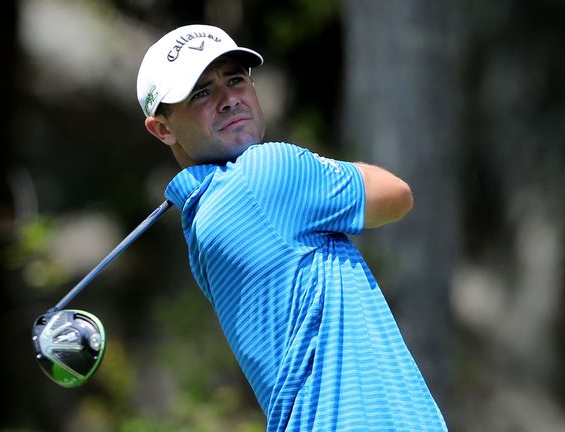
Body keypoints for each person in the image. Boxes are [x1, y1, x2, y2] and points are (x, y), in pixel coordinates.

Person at [136, 24, 447, 431]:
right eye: (201, 93)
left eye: (235, 79)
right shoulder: (266, 172)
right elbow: (397, 195)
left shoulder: (199, 224)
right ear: (162, 128)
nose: (230, 99)